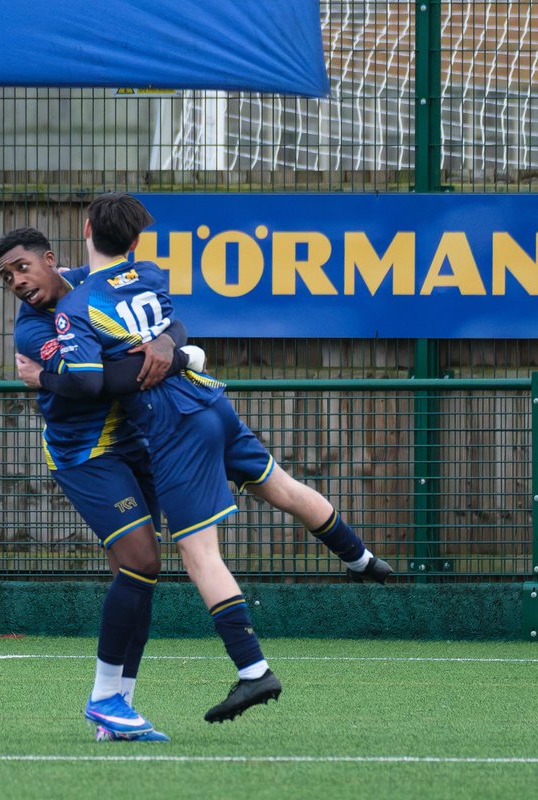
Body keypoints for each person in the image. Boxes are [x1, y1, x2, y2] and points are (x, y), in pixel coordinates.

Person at [22, 193, 393, 725]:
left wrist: (45, 377)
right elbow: (171, 331)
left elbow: (93, 381)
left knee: (199, 556)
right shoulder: (149, 272)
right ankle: (361, 560)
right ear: (135, 241)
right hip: (213, 400)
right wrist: (181, 351)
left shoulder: (77, 309)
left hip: (175, 425)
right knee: (282, 487)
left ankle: (252, 670)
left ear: (84, 230)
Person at [0, 227, 199, 742]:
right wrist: (176, 358)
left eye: (21, 267)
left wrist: (169, 343)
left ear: (51, 259)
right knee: (143, 561)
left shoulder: (96, 284)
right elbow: (90, 382)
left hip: (134, 443)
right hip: (85, 455)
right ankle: (103, 698)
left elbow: (172, 323)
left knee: (140, 574)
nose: (15, 280)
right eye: (5, 276)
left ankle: (120, 709)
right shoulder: (32, 330)